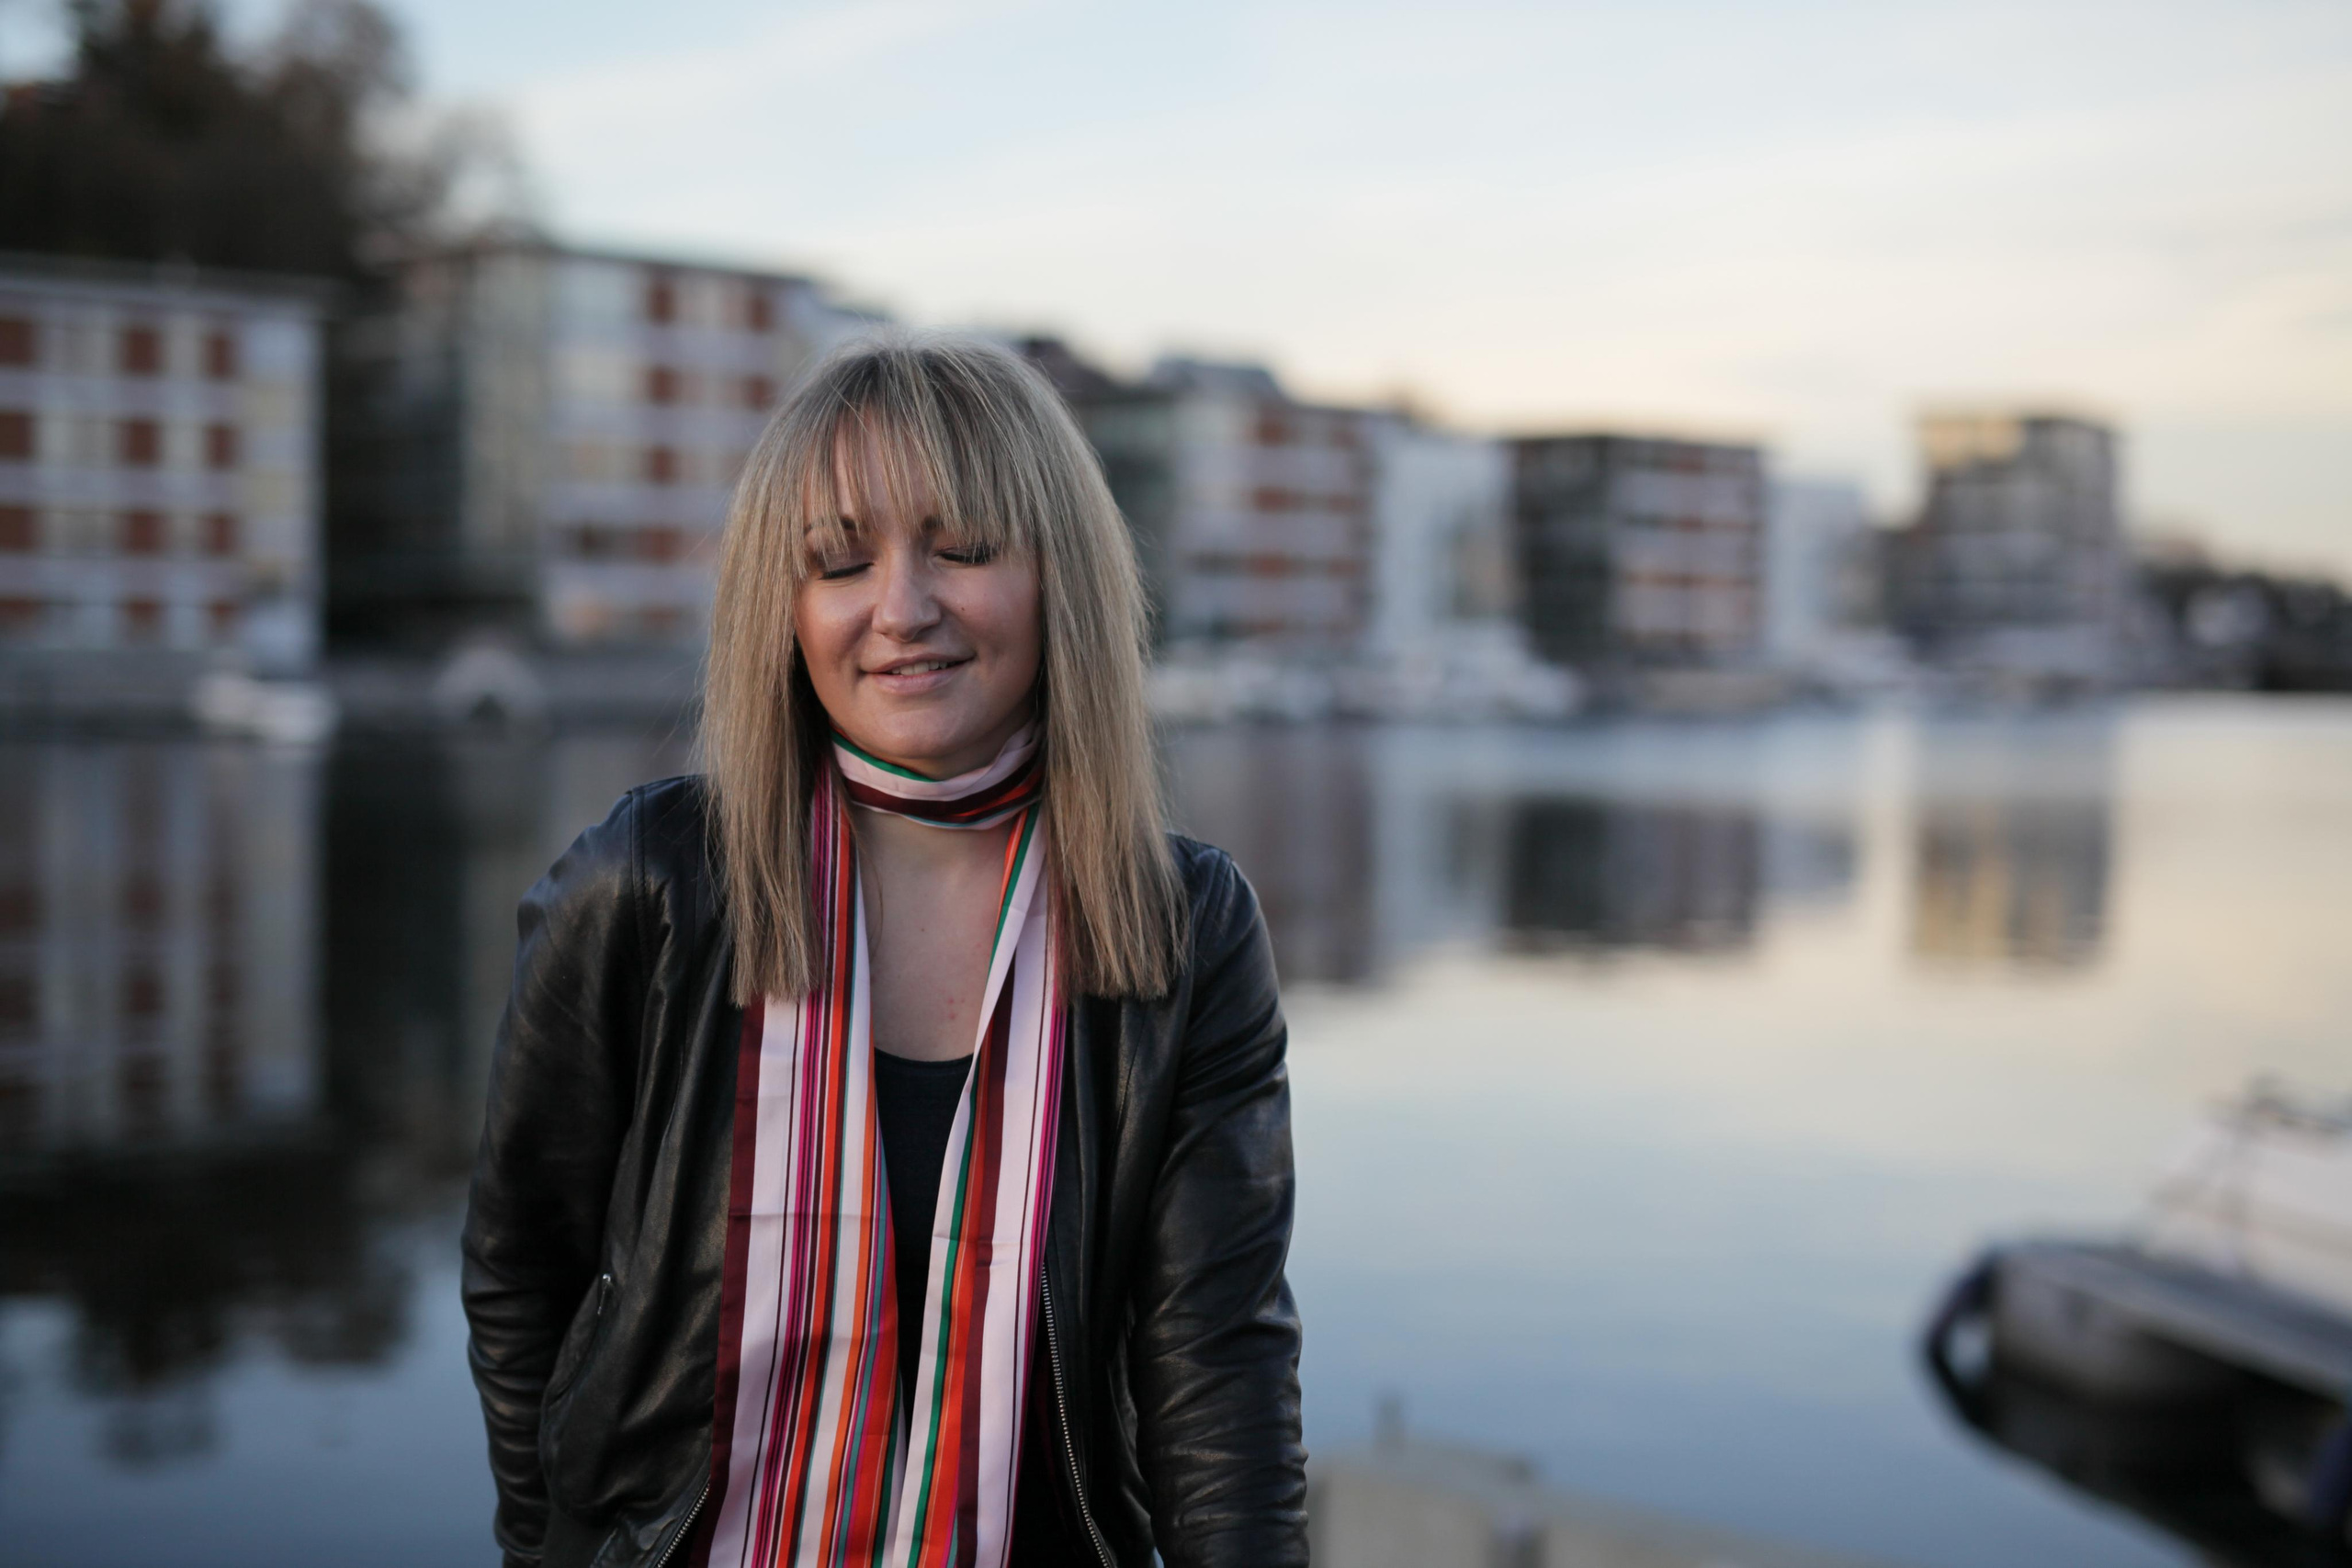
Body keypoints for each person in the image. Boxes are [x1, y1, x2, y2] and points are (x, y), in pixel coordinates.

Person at [460, 334, 1306, 1568]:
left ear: (1055, 574)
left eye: (962, 548)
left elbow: (1217, 1358)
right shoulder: (647, 884)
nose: (902, 610)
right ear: (785, 606)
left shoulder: (1186, 924)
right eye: (840, 562)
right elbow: (521, 1270)